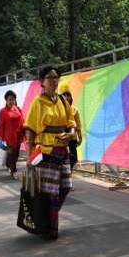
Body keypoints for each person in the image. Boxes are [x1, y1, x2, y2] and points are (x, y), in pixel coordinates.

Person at [22, 66, 76, 240]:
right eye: (50, 77)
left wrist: (72, 132)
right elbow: (29, 129)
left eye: (56, 77)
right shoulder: (38, 102)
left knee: (65, 187)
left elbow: (71, 120)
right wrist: (30, 157)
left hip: (63, 149)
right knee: (51, 191)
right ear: (42, 82)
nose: (53, 81)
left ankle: (46, 218)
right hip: (45, 151)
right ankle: (52, 227)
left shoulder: (62, 100)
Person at [0, 90, 24, 179]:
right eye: (10, 99)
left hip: (18, 135)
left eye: (13, 99)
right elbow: (0, 124)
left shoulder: (18, 109)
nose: (12, 101)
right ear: (6, 100)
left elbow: (23, 120)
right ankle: (13, 171)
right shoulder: (2, 111)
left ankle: (9, 165)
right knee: (11, 154)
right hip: (9, 137)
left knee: (16, 154)